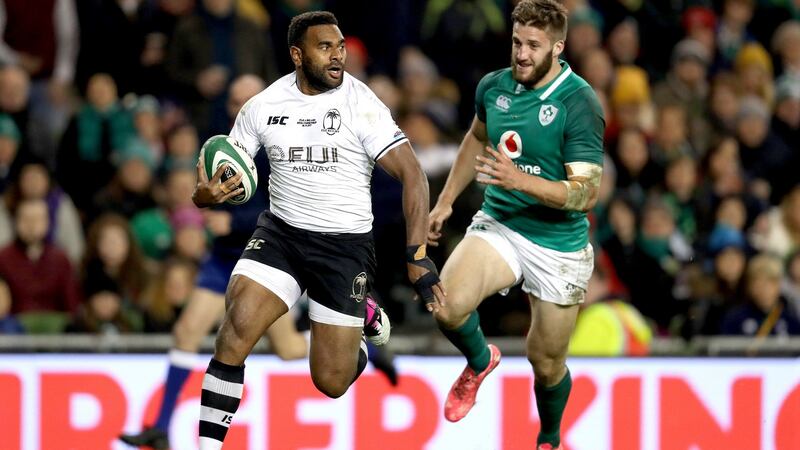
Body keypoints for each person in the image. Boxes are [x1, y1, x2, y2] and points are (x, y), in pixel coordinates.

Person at [190, 11, 443, 450]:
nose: (337, 55)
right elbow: (227, 174)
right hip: (282, 235)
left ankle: (362, 321)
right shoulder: (263, 106)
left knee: (331, 382)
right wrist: (204, 196)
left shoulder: (361, 104)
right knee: (235, 329)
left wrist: (417, 256)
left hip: (343, 248)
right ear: (297, 54)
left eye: (340, 47)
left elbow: (414, 176)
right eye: (325, 47)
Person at [427, 2, 604, 449]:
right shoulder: (494, 86)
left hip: (557, 244)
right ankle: (479, 360)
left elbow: (585, 193)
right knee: (446, 306)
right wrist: (445, 201)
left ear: (558, 48)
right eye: (516, 42)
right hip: (502, 222)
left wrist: (520, 179)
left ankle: (549, 437)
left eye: (533, 46)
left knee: (545, 363)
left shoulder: (579, 102)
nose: (521, 54)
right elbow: (476, 137)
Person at [118, 75, 308, 450]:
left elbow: (289, 209)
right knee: (186, 331)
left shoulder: (285, 147)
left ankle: (352, 337)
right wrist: (202, 199)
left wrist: (233, 222)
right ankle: (162, 427)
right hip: (223, 258)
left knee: (288, 349)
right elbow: (202, 195)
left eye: (247, 100)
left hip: (265, 257)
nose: (239, 108)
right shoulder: (224, 144)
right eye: (234, 101)